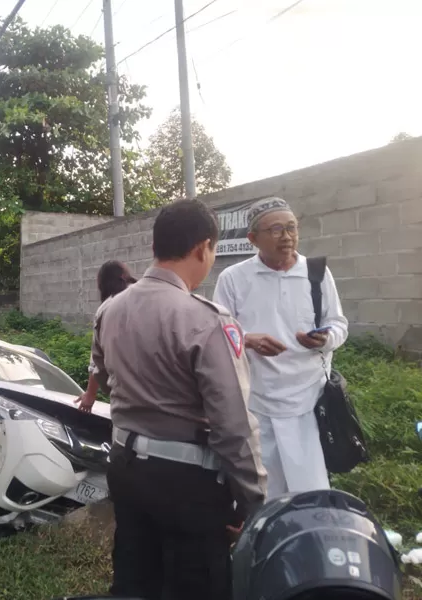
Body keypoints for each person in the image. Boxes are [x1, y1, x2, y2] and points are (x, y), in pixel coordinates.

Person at [93, 199, 267, 600]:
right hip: (186, 484)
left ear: (157, 247)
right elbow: (234, 427)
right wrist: (256, 503)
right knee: (197, 584)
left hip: (125, 465)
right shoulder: (208, 319)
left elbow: (104, 378)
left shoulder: (110, 310)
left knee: (135, 578)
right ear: (203, 248)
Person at [212, 196, 348, 499]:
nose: (286, 237)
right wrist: (247, 339)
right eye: (275, 230)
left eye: (291, 228)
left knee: (311, 490)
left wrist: (325, 339)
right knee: (266, 491)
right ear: (253, 239)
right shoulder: (234, 278)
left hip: (309, 401)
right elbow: (217, 332)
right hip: (257, 403)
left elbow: (339, 324)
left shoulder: (317, 273)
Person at [74, 260, 136, 413]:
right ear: (124, 277)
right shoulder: (147, 298)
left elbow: (97, 360)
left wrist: (90, 394)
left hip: (126, 400)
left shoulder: (106, 308)